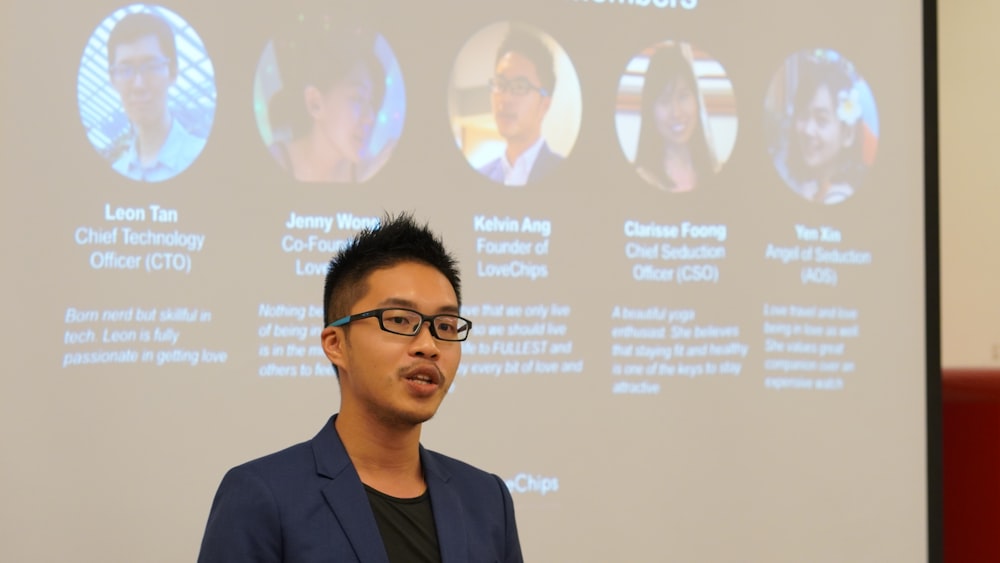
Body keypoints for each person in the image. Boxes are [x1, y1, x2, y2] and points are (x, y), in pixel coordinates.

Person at [198, 213, 524, 563]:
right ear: (336, 343)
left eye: (445, 325)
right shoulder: (263, 495)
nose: (428, 345)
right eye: (400, 320)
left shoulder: (487, 499)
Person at [266, 25, 386, 183]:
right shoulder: (272, 164)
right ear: (315, 103)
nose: (370, 117)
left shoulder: (370, 170)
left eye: (372, 102)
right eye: (358, 98)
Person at [106, 11, 207, 182]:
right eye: (125, 70)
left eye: (151, 66)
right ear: (113, 80)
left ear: (173, 72)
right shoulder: (115, 172)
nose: (138, 85)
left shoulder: (203, 159)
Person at [477, 28, 563, 186]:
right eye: (500, 84)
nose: (505, 98)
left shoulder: (566, 175)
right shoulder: (480, 176)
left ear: (544, 105)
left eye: (520, 86)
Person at [783, 54, 868, 205]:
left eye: (821, 120)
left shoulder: (837, 198)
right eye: (803, 116)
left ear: (848, 134)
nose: (808, 130)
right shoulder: (815, 187)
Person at [633, 43, 717, 193]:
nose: (676, 113)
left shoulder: (715, 171)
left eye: (683, 96)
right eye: (665, 101)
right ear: (650, 111)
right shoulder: (641, 180)